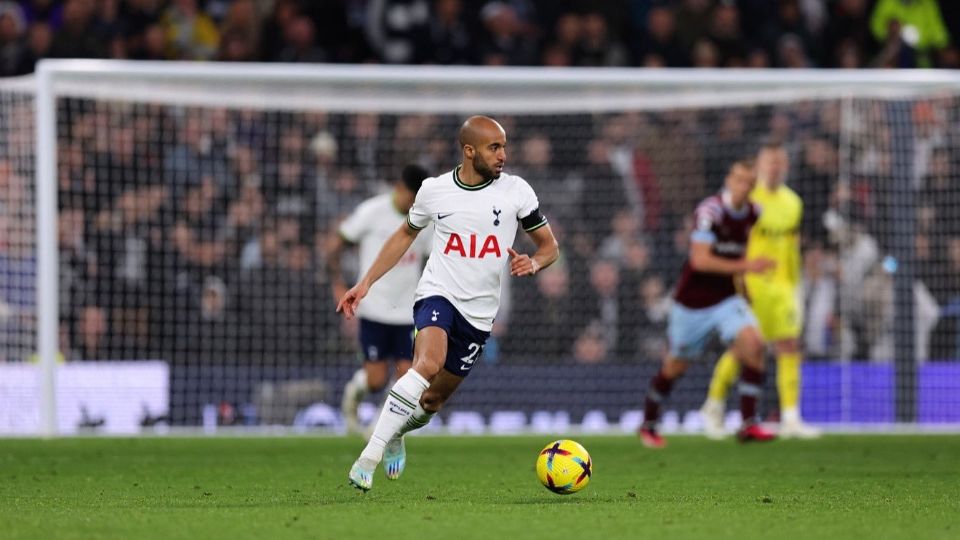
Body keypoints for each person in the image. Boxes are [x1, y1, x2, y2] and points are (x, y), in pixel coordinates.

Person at [338, 115, 560, 491]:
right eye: (494, 147)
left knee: (431, 402)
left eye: (504, 146)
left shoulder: (517, 192)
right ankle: (368, 457)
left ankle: (397, 433)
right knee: (427, 363)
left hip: (479, 313)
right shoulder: (434, 190)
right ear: (469, 151)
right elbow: (404, 235)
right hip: (437, 293)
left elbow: (549, 245)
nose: (503, 154)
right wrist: (366, 283)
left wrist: (535, 262)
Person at [638, 158, 776, 449]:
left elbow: (739, 251)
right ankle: (649, 423)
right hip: (692, 304)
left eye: (749, 182)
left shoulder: (753, 213)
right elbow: (700, 260)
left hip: (726, 300)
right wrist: (748, 266)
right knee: (675, 366)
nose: (743, 186)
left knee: (754, 343)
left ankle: (749, 423)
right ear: (729, 180)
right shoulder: (709, 211)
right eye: (738, 179)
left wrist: (743, 285)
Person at [700, 142, 821, 439]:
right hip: (749, 285)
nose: (775, 167)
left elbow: (791, 249)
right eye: (769, 162)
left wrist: (796, 286)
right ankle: (713, 405)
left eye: (780, 161)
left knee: (789, 346)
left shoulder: (793, 202)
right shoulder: (745, 200)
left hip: (782, 289)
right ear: (759, 166)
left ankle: (791, 418)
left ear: (786, 166)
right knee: (743, 349)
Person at [326, 164, 431, 435]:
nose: (413, 203)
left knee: (407, 379)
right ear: (400, 189)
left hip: (407, 313)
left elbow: (434, 258)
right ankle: (353, 394)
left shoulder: (424, 220)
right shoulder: (372, 211)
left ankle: (379, 430)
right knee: (375, 380)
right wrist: (338, 284)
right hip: (373, 310)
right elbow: (336, 244)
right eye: (411, 197)